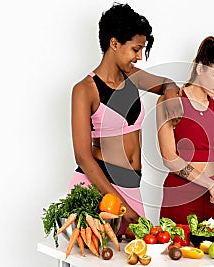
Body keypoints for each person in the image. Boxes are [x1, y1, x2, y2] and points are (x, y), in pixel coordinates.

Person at [68, 3, 181, 234]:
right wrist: (119, 205)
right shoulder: (85, 90)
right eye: (136, 49)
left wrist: (172, 97)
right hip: (100, 191)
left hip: (132, 187)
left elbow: (167, 83)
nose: (139, 57)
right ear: (114, 43)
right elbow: (82, 156)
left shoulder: (133, 77)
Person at [157, 36, 214, 225]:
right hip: (180, 195)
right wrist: (209, 185)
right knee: (179, 252)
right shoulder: (171, 102)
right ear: (200, 68)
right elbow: (169, 158)